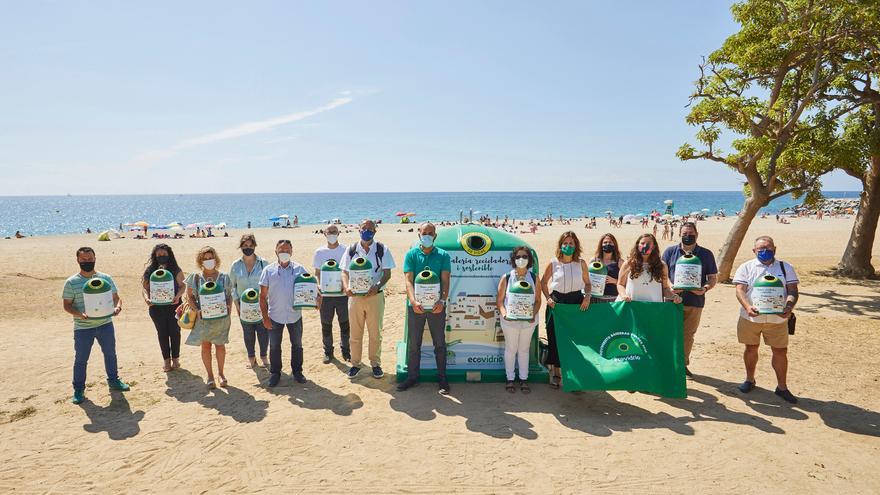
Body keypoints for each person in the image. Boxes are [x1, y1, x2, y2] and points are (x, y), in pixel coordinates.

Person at [733, 236, 799, 404]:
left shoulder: (786, 267)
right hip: (750, 318)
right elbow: (740, 290)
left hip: (778, 320)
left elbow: (792, 290)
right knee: (750, 348)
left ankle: (782, 387)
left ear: (774, 249)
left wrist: (789, 307)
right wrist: (748, 307)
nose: (764, 252)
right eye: (760, 249)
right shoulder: (746, 267)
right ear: (754, 251)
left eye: (768, 248)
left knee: (780, 351)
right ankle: (749, 380)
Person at [62, 247, 130, 404]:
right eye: (84, 259)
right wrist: (79, 314)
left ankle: (113, 381)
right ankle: (78, 389)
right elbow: (66, 305)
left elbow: (116, 298)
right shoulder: (72, 282)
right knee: (81, 359)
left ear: (95, 258)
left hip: (105, 324)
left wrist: (118, 307)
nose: (87, 262)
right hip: (83, 328)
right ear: (78, 260)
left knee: (110, 354)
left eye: (90, 259)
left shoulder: (105, 278)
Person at [397, 222, 452, 394]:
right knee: (414, 344)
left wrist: (442, 301)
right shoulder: (411, 255)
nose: (427, 235)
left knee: (440, 344)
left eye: (430, 233)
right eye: (424, 232)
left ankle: (442, 378)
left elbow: (445, 281)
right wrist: (413, 301)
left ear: (435, 236)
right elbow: (408, 280)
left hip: (437, 307)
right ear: (419, 234)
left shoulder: (443, 255)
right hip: (416, 307)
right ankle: (413, 377)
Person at [340, 219, 396, 379]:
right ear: (358, 229)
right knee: (355, 333)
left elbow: (387, 273)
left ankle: (375, 364)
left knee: (375, 333)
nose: (367, 231)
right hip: (355, 299)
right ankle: (355, 364)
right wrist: (346, 287)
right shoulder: (351, 249)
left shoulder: (382, 249)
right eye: (364, 228)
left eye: (370, 229)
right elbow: (344, 271)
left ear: (375, 231)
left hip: (375, 297)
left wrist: (376, 286)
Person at [662, 222, 718, 377]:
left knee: (688, 335)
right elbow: (661, 275)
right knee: (670, 333)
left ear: (697, 234)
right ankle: (668, 363)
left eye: (691, 233)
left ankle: (682, 364)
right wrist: (671, 287)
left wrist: (705, 288)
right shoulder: (670, 252)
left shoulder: (706, 254)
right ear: (679, 234)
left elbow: (712, 278)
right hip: (671, 301)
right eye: (684, 233)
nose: (687, 236)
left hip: (695, 302)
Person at [540, 232, 591, 390]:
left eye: (571, 243)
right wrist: (548, 298)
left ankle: (574, 375)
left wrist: (587, 297)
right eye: (565, 243)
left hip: (576, 303)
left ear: (576, 246)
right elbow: (543, 282)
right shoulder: (553, 263)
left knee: (574, 340)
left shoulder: (581, 263)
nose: (568, 246)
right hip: (557, 304)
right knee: (555, 339)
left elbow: (588, 283)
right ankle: (556, 374)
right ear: (560, 245)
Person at [260, 240, 312, 387]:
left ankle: (297, 372)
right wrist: (265, 318)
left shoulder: (299, 269)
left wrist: (317, 298)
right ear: (275, 251)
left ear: (291, 251)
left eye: (287, 249)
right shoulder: (268, 271)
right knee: (275, 346)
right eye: (281, 249)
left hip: (294, 315)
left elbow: (310, 287)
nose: (284, 252)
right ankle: (275, 373)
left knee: (297, 345)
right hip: (274, 316)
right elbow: (262, 297)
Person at [184, 246, 233, 389]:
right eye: (205, 259)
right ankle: (210, 376)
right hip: (203, 319)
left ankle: (221, 374)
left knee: (220, 345)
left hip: (221, 318)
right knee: (205, 346)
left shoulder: (224, 277)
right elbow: (189, 297)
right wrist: (196, 310)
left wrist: (229, 308)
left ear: (215, 259)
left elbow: (229, 295)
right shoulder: (196, 277)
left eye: (210, 258)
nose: (208, 260)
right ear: (200, 261)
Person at [497, 246, 543, 393]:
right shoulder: (507, 277)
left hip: (528, 321)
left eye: (524, 256)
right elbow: (499, 300)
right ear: (513, 259)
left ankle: (523, 379)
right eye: (518, 257)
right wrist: (504, 314)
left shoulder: (534, 278)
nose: (521, 259)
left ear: (529, 260)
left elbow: (538, 300)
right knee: (511, 349)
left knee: (524, 349)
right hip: (509, 321)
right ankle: (510, 379)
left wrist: (532, 314)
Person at [141, 243, 186, 372]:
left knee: (175, 332)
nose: (161, 256)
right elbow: (145, 288)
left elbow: (183, 286)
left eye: (164, 254)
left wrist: (178, 296)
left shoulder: (175, 269)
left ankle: (176, 359)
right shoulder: (150, 270)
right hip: (156, 308)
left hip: (175, 306)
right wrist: (146, 299)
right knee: (162, 333)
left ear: (169, 255)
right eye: (159, 254)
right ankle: (166, 361)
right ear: (155, 255)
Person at [228, 234, 269, 369]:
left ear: (255, 246)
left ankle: (264, 356)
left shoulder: (264, 263)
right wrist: (236, 304)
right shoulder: (235, 265)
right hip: (243, 306)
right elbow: (232, 286)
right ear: (241, 246)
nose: (248, 248)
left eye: (251, 245)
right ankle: (251, 358)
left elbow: (269, 284)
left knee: (263, 332)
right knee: (248, 333)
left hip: (261, 304)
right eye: (245, 246)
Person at [313, 224, 351, 364]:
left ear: (339, 233)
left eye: (334, 231)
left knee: (345, 325)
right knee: (326, 325)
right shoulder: (319, 252)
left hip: (343, 296)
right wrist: (319, 286)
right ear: (324, 233)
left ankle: (346, 351)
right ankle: (328, 352)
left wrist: (346, 286)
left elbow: (348, 272)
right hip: (326, 297)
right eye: (329, 232)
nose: (332, 234)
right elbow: (317, 273)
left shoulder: (346, 250)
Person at [617, 234, 682, 305]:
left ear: (654, 246)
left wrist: (674, 296)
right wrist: (624, 295)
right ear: (637, 245)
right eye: (642, 243)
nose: (645, 246)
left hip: (653, 308)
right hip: (632, 306)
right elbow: (620, 284)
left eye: (648, 244)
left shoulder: (662, 265)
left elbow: (665, 288)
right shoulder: (629, 263)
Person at [591, 233, 622, 303]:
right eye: (605, 242)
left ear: (614, 245)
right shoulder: (594, 260)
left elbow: (626, 284)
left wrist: (614, 281)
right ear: (601, 245)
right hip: (595, 299)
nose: (608, 244)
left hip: (614, 299)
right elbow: (587, 280)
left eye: (610, 242)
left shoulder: (620, 262)